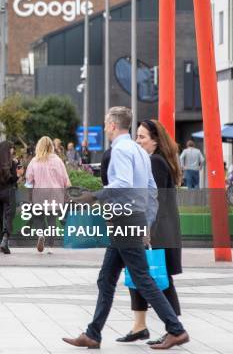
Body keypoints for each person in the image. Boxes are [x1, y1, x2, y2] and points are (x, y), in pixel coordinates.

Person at [63, 107, 189, 350]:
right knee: (106, 278)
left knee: (141, 278)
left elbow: (121, 183)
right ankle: (93, 333)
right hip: (134, 219)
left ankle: (176, 329)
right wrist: (147, 223)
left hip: (124, 220)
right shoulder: (138, 151)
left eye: (105, 123)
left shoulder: (121, 150)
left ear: (112, 125)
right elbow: (152, 191)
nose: (105, 126)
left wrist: (93, 196)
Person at [114, 119, 184, 345]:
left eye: (142, 137)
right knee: (141, 273)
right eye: (137, 136)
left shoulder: (155, 162)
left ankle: (174, 329)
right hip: (159, 227)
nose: (137, 141)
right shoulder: (155, 160)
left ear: (155, 140)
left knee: (160, 278)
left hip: (157, 229)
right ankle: (140, 326)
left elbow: (152, 200)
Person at [25, 136, 70, 253]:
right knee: (51, 221)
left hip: (39, 194)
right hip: (55, 195)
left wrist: (29, 196)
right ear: (52, 147)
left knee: (38, 217)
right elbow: (66, 180)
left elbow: (29, 181)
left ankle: (41, 234)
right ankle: (50, 247)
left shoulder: (34, 161)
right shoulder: (58, 161)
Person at [0, 141, 19, 255]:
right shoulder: (11, 163)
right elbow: (11, 180)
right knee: (8, 216)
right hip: (8, 192)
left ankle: (2, 243)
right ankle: (5, 240)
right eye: (12, 148)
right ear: (8, 150)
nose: (13, 150)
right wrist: (18, 174)